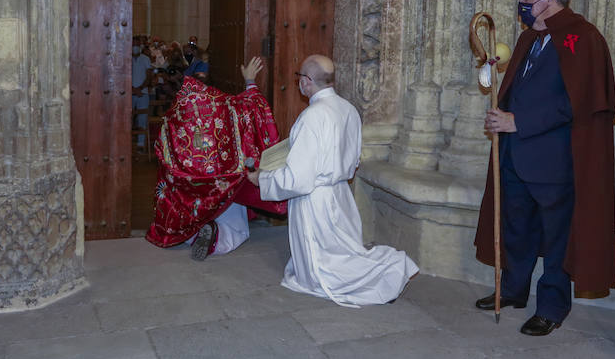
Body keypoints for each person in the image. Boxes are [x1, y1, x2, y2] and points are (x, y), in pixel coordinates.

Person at [473, 0, 615, 336]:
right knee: (516, 226)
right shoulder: (529, 37)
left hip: (555, 160)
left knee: (557, 236)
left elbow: (579, 102)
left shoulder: (581, 38)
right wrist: (500, 115)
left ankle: (551, 306)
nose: (521, 6)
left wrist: (518, 122)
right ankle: (514, 290)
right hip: (516, 155)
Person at [249, 55, 418, 306]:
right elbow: (351, 159)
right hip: (339, 194)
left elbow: (298, 179)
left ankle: (387, 272)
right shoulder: (348, 109)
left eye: (299, 78)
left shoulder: (311, 117)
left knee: (324, 270)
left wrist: (262, 178)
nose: (298, 83)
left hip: (314, 199)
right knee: (341, 250)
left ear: (306, 82)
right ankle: (383, 272)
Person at [147, 57, 286, 260]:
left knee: (187, 224)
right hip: (223, 188)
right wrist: (250, 80)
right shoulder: (227, 106)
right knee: (236, 230)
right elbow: (253, 106)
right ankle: (218, 235)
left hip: (190, 192)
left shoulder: (174, 115)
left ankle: (198, 232)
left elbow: (161, 150)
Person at [131, 35, 152, 154]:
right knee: (127, 118)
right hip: (128, 93)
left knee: (142, 118)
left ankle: (140, 144)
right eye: (133, 45)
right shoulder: (126, 58)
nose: (135, 47)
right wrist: (132, 89)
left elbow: (149, 76)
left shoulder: (145, 59)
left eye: (137, 45)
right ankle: (126, 142)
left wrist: (140, 88)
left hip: (142, 93)